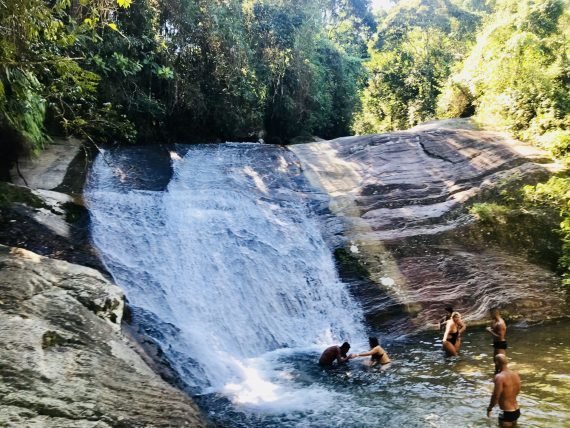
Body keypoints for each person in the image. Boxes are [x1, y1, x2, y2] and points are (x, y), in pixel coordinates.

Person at [487, 354, 521, 427]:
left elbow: (496, 396)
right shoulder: (516, 374)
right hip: (516, 410)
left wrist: (490, 408)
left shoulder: (499, 377)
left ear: (496, 363)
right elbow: (518, 391)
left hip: (506, 412)